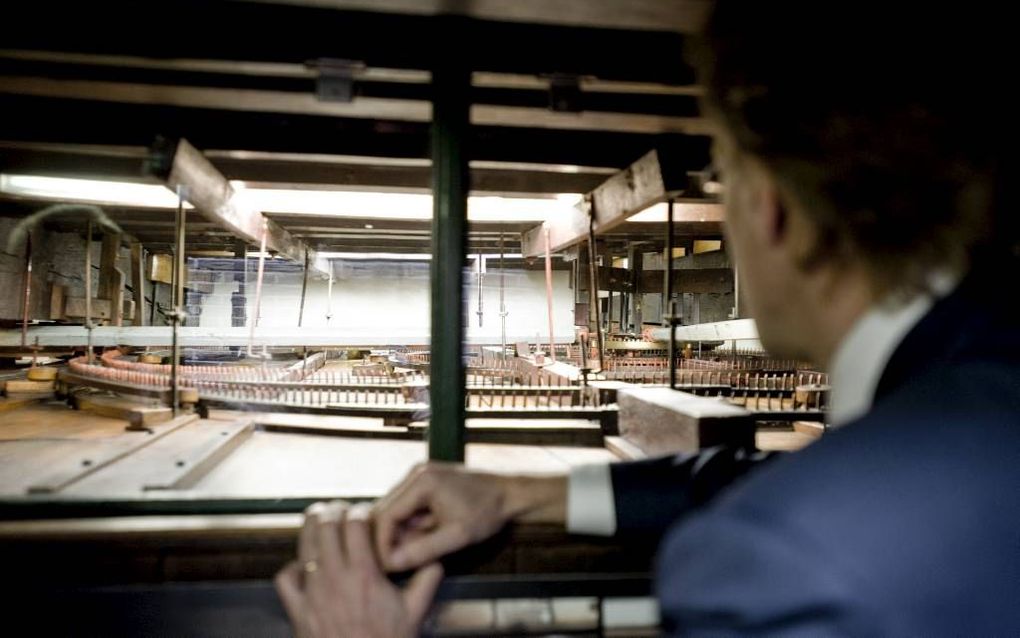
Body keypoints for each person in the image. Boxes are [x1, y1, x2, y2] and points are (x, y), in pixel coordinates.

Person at [276, 2, 1019, 635]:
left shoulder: (776, 553)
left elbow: (796, 505)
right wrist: (518, 493)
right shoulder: (982, 389)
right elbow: (758, 476)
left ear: (772, 210)